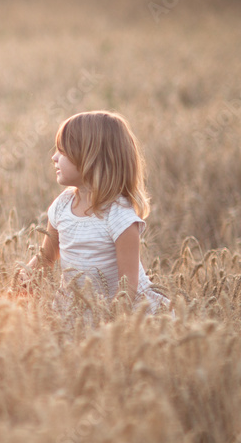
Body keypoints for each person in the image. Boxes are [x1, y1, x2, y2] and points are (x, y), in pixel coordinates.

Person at [20, 111, 168, 313]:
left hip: (123, 313)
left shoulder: (119, 217)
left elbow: (128, 287)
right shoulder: (62, 205)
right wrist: (23, 279)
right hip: (78, 309)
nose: (54, 157)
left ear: (91, 159)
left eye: (62, 151)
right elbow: (47, 257)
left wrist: (109, 324)